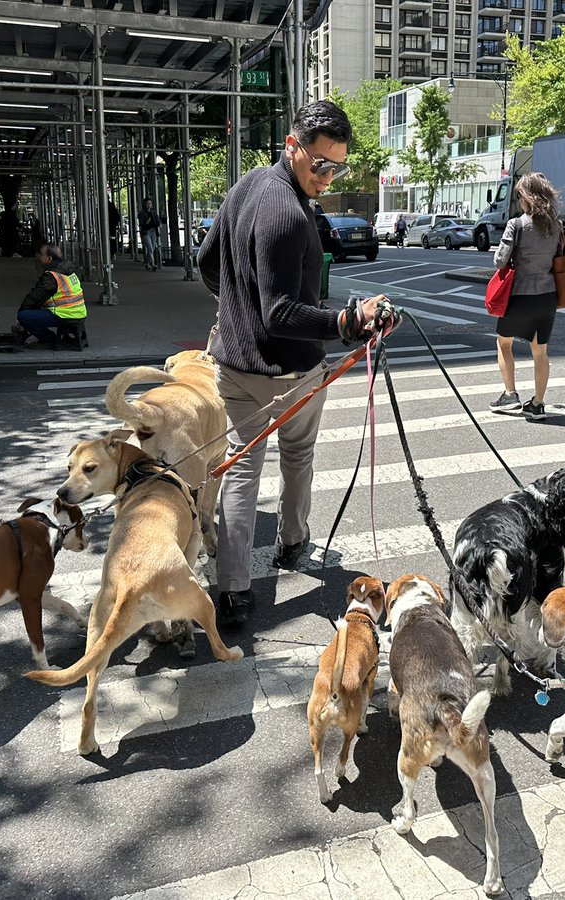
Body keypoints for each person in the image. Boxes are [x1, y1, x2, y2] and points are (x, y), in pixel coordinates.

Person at [198, 100, 385, 629]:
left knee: (241, 471)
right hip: (286, 373)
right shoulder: (286, 213)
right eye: (319, 164)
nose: (326, 176)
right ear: (291, 146)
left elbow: (207, 263)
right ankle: (291, 543)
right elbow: (280, 312)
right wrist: (348, 322)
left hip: (234, 363)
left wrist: (236, 307)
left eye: (337, 166)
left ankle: (233, 591)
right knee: (294, 458)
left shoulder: (246, 186)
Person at [488, 172, 563, 423]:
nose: (518, 199)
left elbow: (500, 261)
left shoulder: (517, 224)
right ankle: (538, 404)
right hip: (547, 296)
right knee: (540, 351)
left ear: (527, 197)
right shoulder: (557, 225)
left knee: (504, 342)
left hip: (519, 295)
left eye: (519, 195)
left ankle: (510, 395)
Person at [16, 242, 87, 348]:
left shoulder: (52, 275)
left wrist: (23, 311)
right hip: (79, 313)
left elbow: (35, 296)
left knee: (24, 317)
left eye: (41, 254)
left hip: (64, 315)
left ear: (49, 258)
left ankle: (49, 339)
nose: (39, 257)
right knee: (34, 311)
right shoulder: (68, 270)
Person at [139, 197, 161, 271]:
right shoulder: (142, 213)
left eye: (150, 203)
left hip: (153, 231)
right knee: (150, 248)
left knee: (151, 249)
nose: (149, 205)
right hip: (146, 232)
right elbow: (141, 225)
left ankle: (147, 264)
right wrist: (147, 222)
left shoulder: (154, 212)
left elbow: (158, 221)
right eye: (147, 203)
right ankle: (153, 264)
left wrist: (159, 225)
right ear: (144, 204)